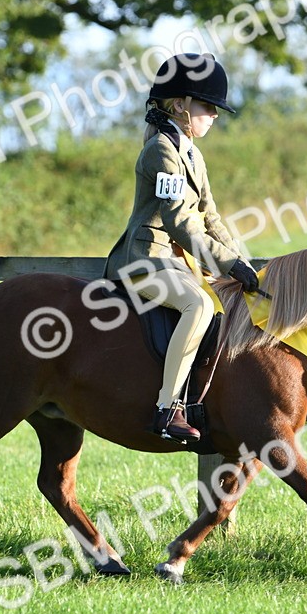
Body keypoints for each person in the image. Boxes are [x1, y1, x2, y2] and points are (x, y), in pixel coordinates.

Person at [103, 53, 261, 443]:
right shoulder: (161, 150)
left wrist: (241, 261)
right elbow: (181, 222)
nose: (215, 115)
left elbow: (211, 216)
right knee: (199, 305)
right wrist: (225, 262)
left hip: (177, 263)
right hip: (145, 261)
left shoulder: (191, 152)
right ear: (180, 106)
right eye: (208, 106)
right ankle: (167, 408)